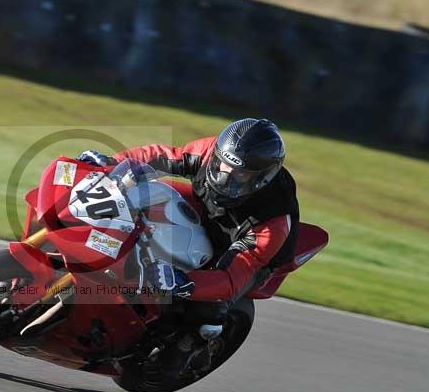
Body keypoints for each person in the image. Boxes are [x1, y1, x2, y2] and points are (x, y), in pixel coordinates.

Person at [79, 118, 299, 339]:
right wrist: (113, 164)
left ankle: (178, 357)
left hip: (246, 249)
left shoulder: (273, 223)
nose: (224, 177)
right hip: (206, 209)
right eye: (223, 165)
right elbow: (160, 156)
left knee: (207, 307)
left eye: (239, 174)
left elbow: (230, 278)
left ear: (261, 178)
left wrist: (183, 282)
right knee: (142, 199)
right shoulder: (211, 151)